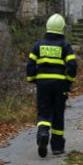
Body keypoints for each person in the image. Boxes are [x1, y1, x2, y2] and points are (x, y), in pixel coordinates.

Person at [26, 13, 77, 157]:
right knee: (58, 114)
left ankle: (42, 133)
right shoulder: (65, 45)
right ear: (62, 29)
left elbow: (30, 65)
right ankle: (57, 147)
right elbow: (72, 66)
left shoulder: (38, 45)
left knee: (44, 111)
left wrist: (33, 79)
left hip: (42, 85)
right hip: (60, 85)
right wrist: (68, 81)